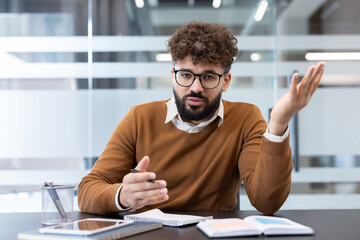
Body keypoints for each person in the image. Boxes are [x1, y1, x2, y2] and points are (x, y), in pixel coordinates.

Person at [78, 21, 325, 215]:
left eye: (208, 77)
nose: (195, 87)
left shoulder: (245, 118)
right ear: (173, 75)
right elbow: (87, 191)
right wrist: (122, 196)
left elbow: (267, 202)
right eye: (186, 75)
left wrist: (279, 122)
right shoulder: (139, 118)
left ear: (225, 81)